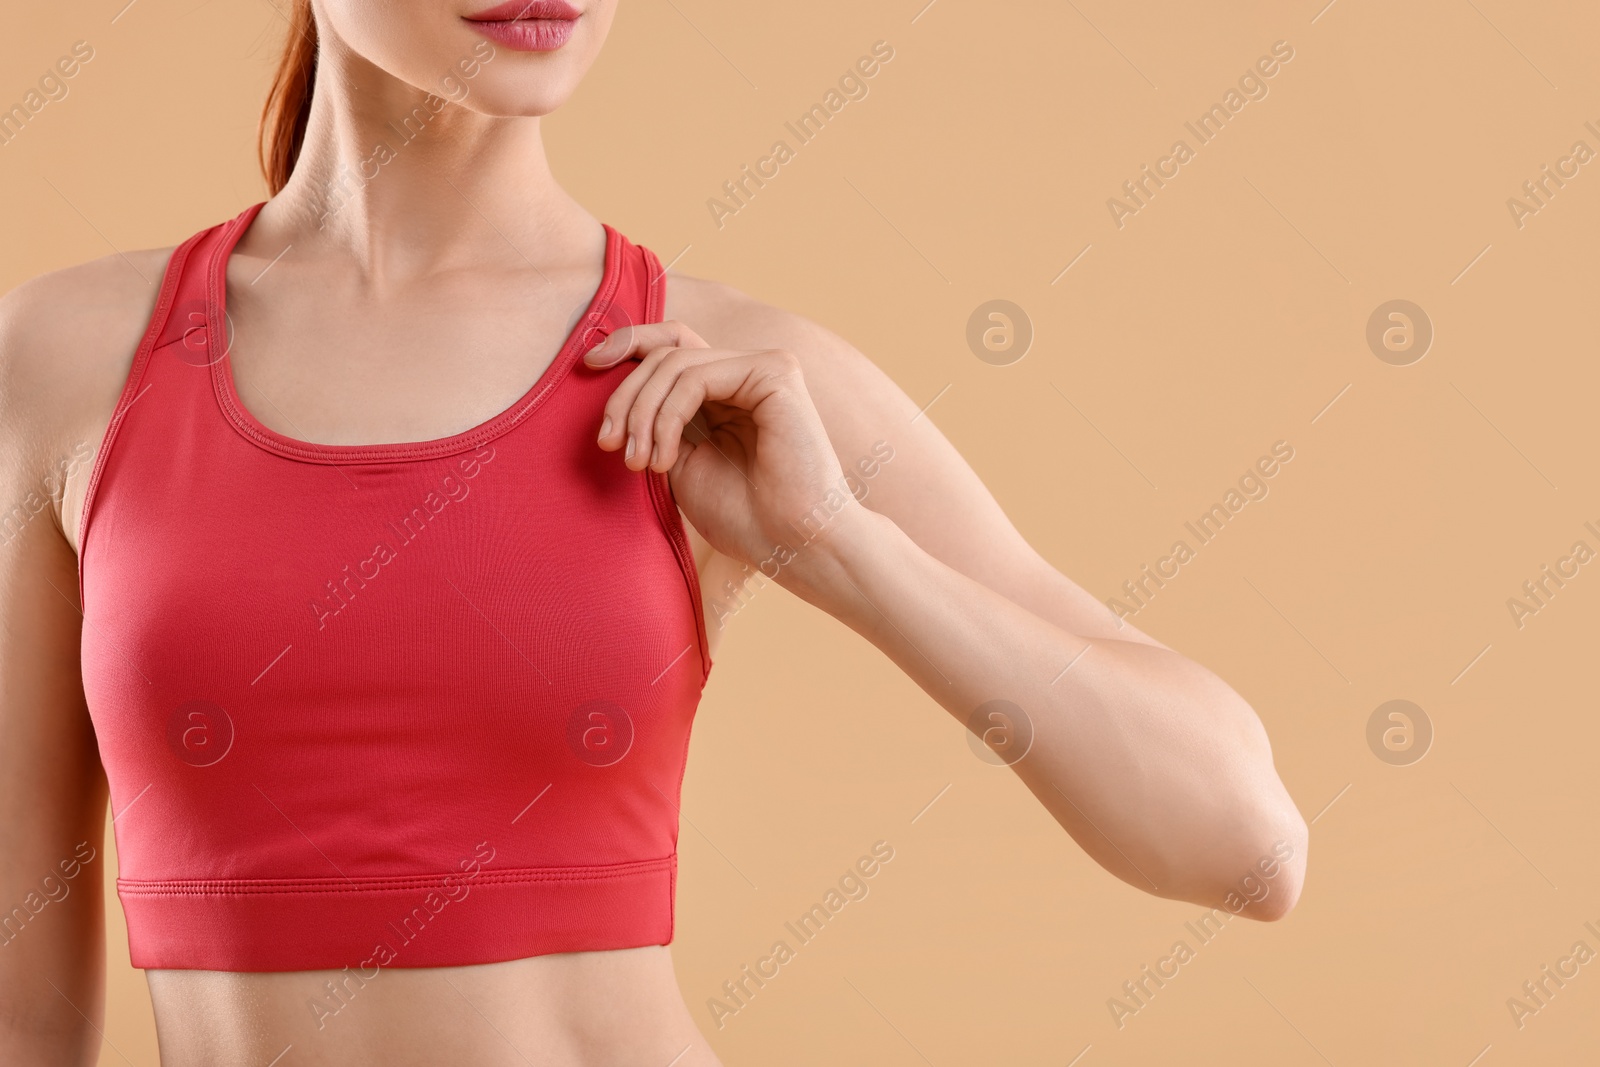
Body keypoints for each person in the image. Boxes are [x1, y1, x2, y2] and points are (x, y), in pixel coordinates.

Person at [0, 1, 1308, 1063]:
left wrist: (840, 543)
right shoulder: (68, 365)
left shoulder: (725, 374)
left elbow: (1247, 848)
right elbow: (27, 1015)